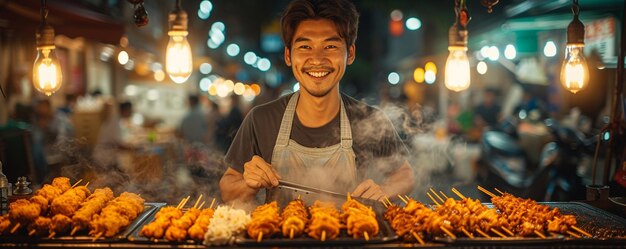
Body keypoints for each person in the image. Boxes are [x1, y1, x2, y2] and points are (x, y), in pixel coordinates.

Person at [219, 0, 414, 207]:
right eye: (305, 46)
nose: (317, 59)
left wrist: (385, 190)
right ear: (288, 55)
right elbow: (227, 189)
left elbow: (405, 175)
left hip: (352, 237)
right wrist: (249, 183)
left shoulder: (369, 119)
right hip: (278, 238)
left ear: (351, 54)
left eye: (330, 46)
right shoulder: (262, 119)